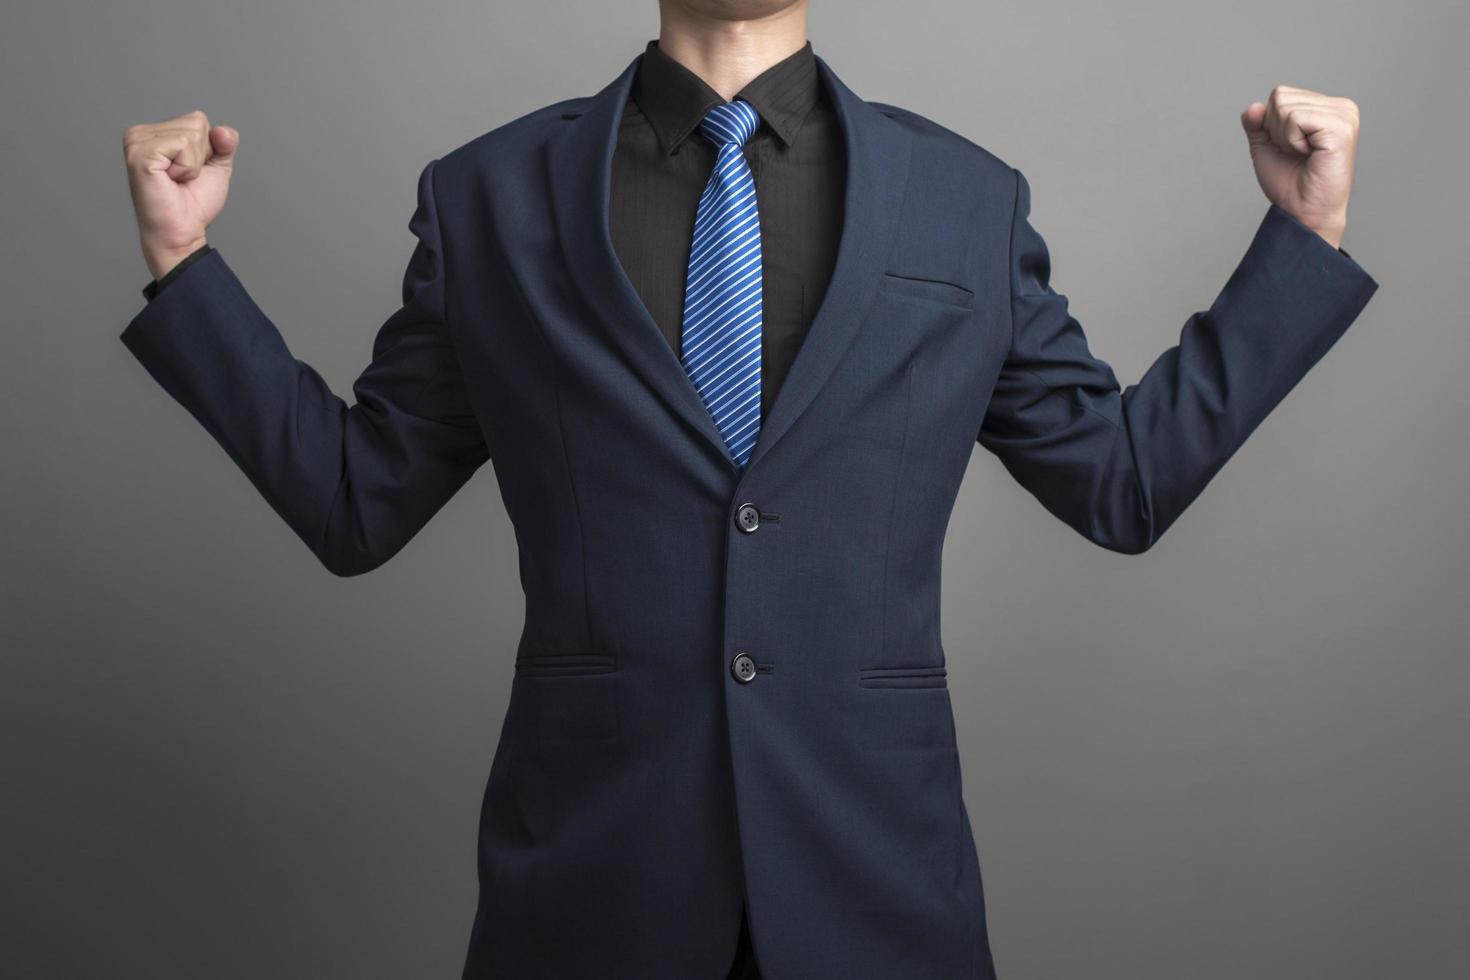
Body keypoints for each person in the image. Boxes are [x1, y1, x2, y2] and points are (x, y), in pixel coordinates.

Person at [117, 1, 1378, 977]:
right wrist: (186, 264)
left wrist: (1302, 243)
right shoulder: (489, 197)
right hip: (590, 897)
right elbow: (356, 497)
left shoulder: (963, 201)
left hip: (876, 896)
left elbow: (1123, 480)